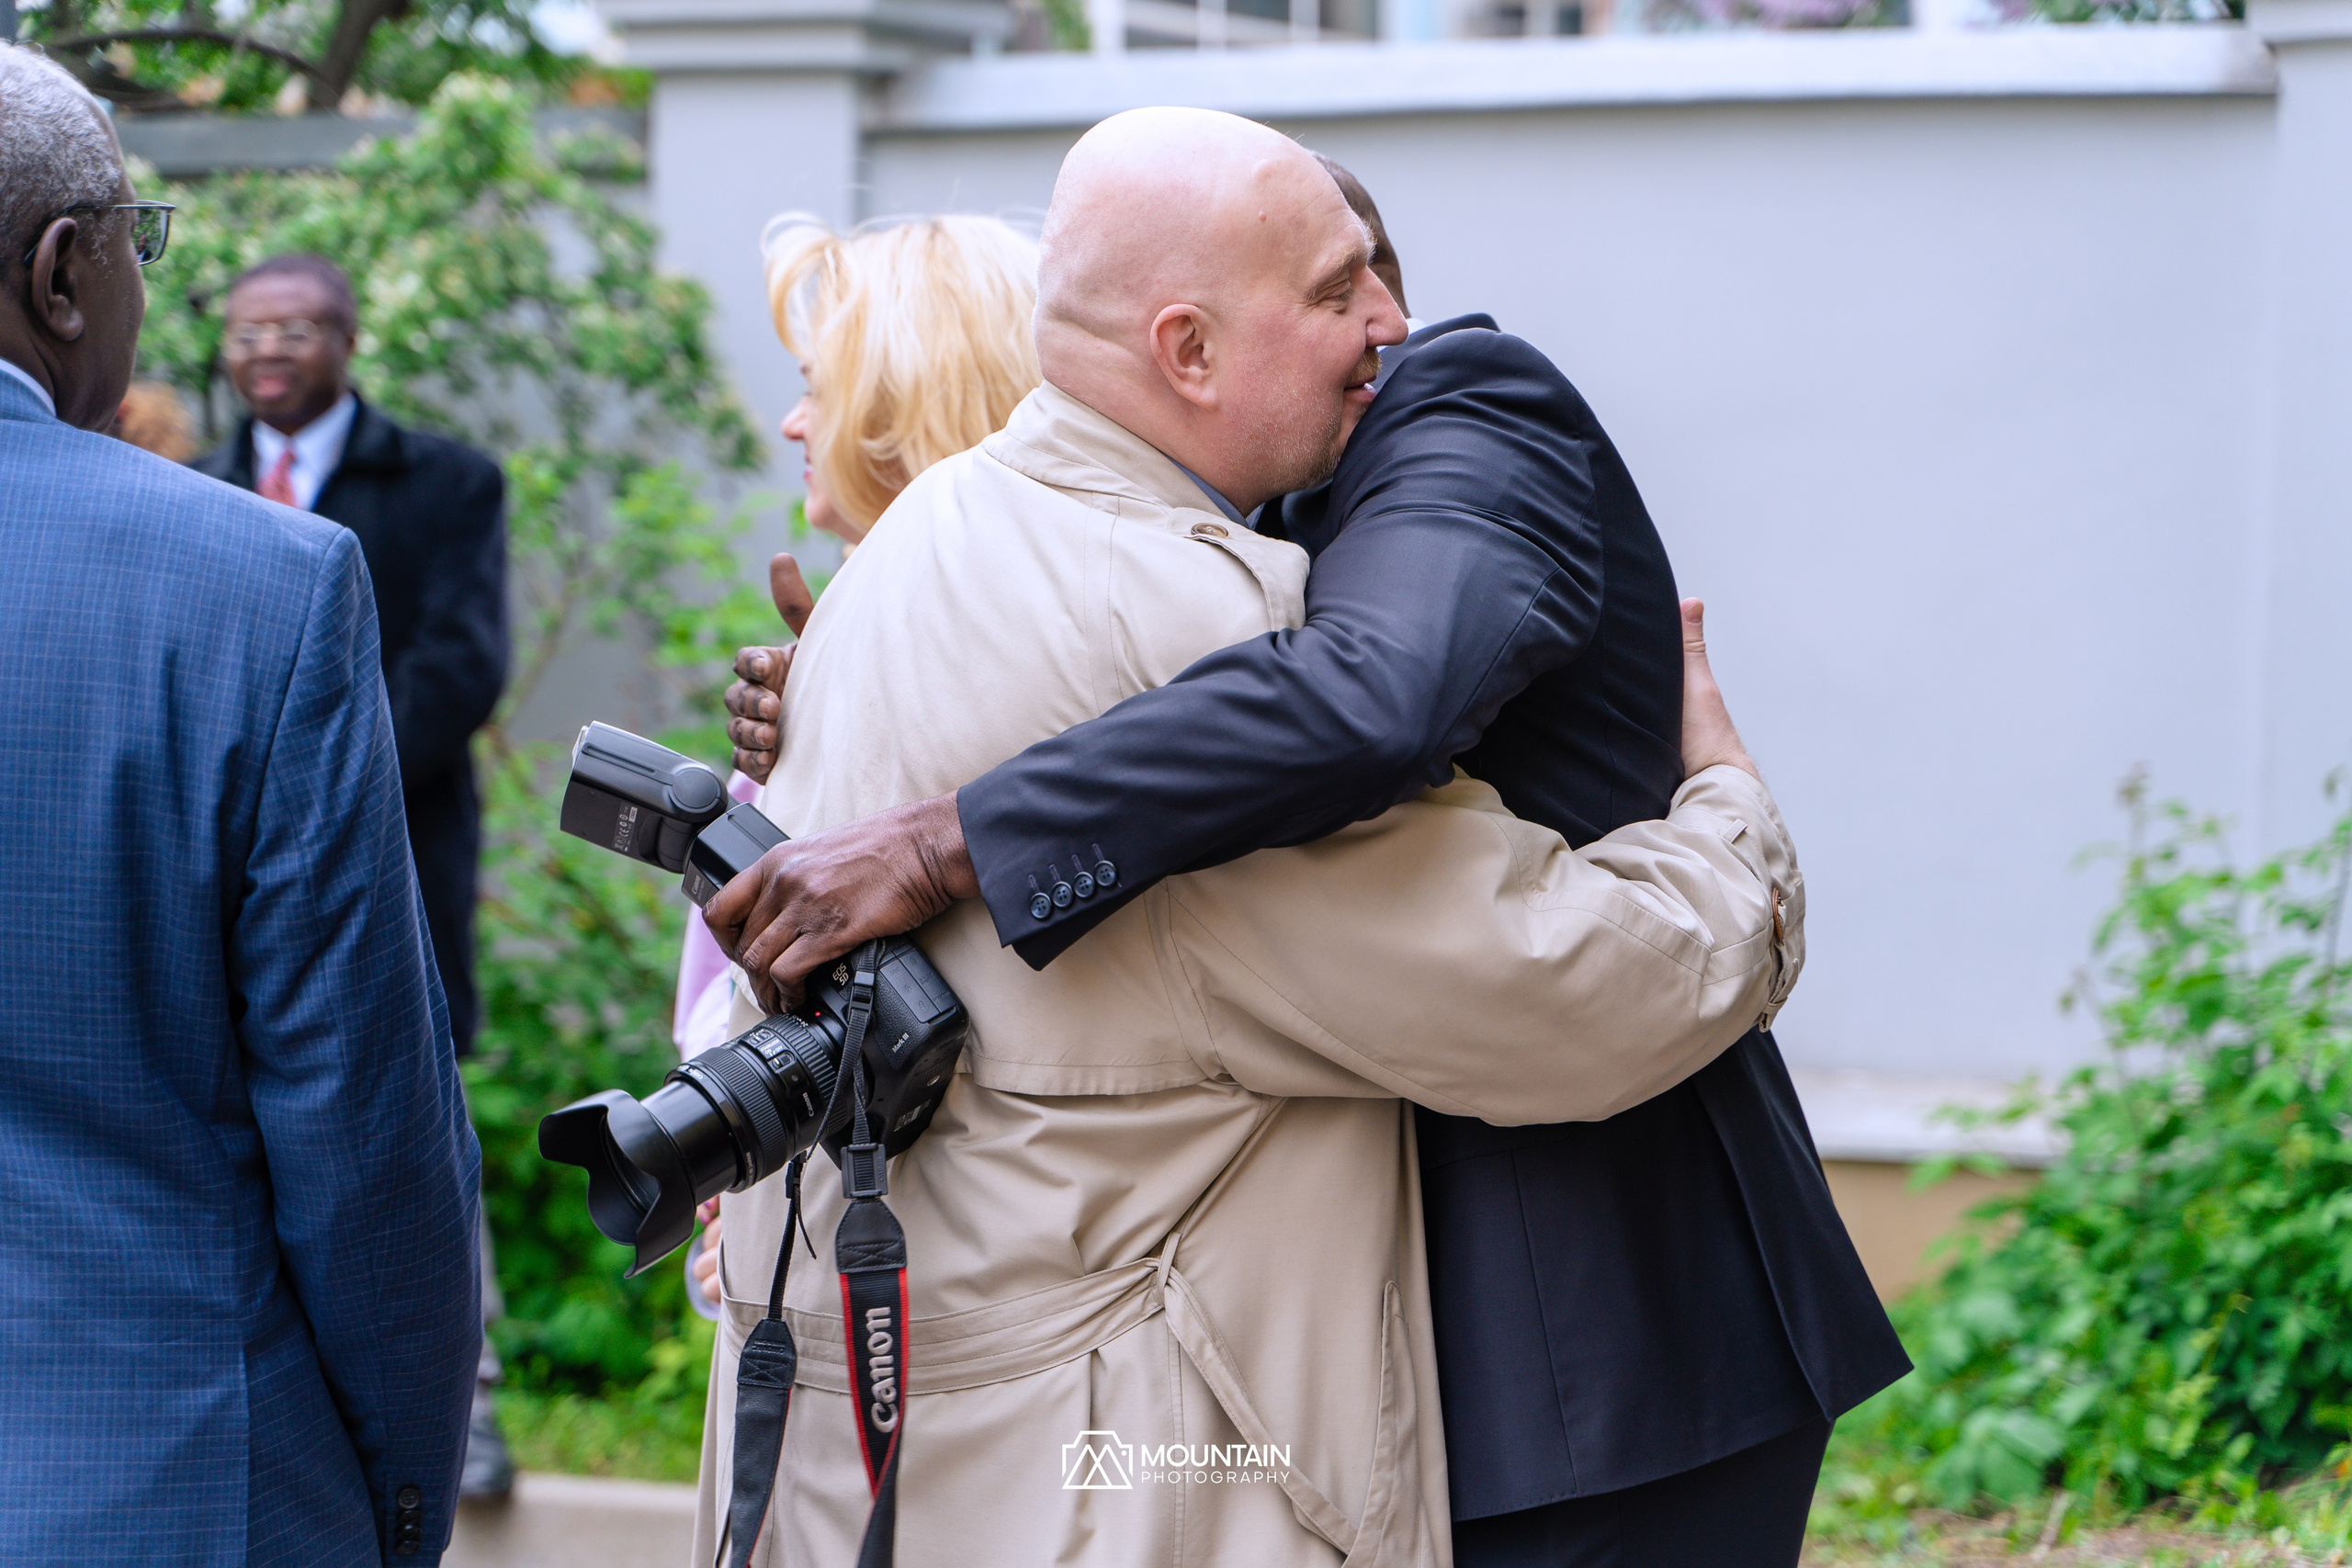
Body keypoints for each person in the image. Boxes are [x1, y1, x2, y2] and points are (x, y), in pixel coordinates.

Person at [715, 141, 1908, 1565]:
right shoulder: (1122, 581)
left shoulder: (1457, 406)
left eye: (1370, 275)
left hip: (1600, 1344)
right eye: (1339, 291)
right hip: (1262, 1385)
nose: (1387, 328)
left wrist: (1734, 822)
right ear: (1191, 347)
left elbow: (1373, 691)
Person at [0, 44, 481, 1566]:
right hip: (168, 1481)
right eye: (142, 245)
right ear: (64, 273)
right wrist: (406, 1487)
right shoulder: (251, 588)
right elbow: (361, 1141)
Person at [677, 211, 1045, 1316]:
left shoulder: (1014, 662)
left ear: (904, 407)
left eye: (816, 388)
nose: (793, 422)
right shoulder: (830, 646)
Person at [191, 252, 516, 1495]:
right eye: (243, 330)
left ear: (346, 337)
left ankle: (467, 1406)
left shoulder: (444, 482)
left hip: (395, 854)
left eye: (292, 328)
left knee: (412, 1107)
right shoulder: (195, 486)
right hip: (219, 873)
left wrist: (312, 778)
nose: (264, 350)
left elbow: (463, 661)